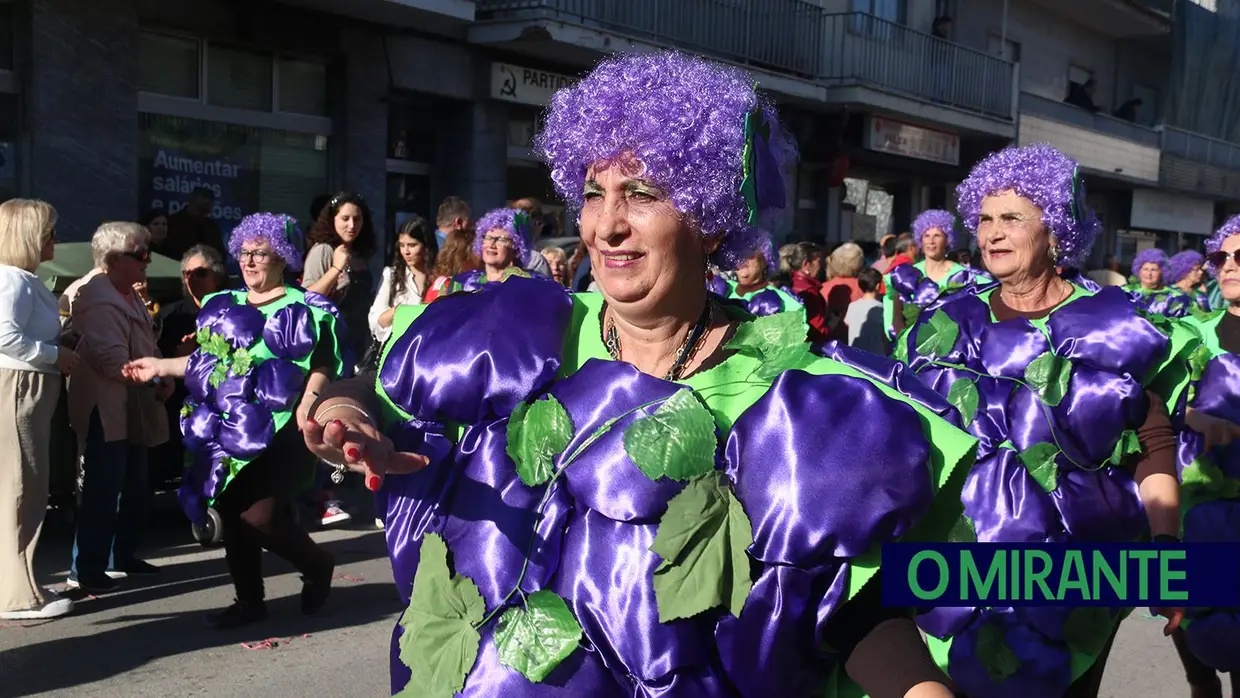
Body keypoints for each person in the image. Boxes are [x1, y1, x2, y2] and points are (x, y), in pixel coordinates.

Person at [302, 50, 973, 698]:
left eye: (643, 193)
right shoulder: (519, 329)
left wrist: (918, 688)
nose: (608, 225)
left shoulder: (795, 401)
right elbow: (380, 389)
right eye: (596, 193)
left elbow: (842, 599)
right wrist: (350, 411)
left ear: (709, 224)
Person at [898, 143, 1190, 697]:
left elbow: (1152, 442)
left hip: (1081, 564)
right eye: (984, 218)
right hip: (956, 563)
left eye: (1012, 218)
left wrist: (1166, 549)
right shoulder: (945, 321)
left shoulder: (1115, 324)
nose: (992, 233)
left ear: (1055, 230)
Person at [124, 213, 351, 628]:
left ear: (281, 258)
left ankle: (317, 563)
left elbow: (323, 362)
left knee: (260, 517)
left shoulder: (306, 307)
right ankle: (250, 601)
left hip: (283, 428)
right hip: (226, 427)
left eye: (259, 254)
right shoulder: (220, 305)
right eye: (244, 252)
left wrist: (309, 401)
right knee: (231, 511)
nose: (248, 261)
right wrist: (159, 364)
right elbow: (206, 362)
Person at [64, 222, 171, 592]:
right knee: (102, 488)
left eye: (148, 252)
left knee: (135, 485)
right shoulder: (96, 297)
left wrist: (161, 368)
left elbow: (146, 346)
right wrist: (160, 376)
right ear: (113, 260)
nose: (148, 260)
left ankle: (119, 556)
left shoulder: (127, 293)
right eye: (140, 253)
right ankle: (87, 569)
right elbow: (114, 363)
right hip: (106, 408)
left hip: (134, 405)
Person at [0, 199, 78, 620]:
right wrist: (54, 355)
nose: (55, 240)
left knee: (25, 488)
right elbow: (4, 337)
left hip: (27, 387)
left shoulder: (21, 279)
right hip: (18, 387)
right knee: (19, 489)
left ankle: (19, 581)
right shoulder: (11, 279)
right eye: (49, 233)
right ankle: (14, 595)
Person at [1172, 215, 1240, 698]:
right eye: (1220, 257)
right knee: (1192, 635)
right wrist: (1193, 414)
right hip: (1196, 505)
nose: (1228, 266)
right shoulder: (1192, 331)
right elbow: (1157, 403)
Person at [886, 210, 990, 339]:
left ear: (947, 240)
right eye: (927, 236)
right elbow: (896, 317)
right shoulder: (905, 274)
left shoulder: (963, 276)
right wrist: (905, 345)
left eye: (937, 235)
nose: (931, 241)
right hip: (910, 350)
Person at [302, 191, 376, 364]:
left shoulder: (359, 253)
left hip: (359, 342)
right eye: (345, 218)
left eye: (357, 219)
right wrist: (336, 269)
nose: (352, 225)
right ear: (332, 219)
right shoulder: (323, 250)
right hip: (330, 344)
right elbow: (307, 297)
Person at [424, 208, 536, 300]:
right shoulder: (459, 284)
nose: (492, 244)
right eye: (487, 238)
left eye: (501, 239)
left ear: (516, 247)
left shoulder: (531, 283)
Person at [718, 240, 801, 316]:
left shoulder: (788, 303)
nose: (742, 258)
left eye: (750, 252)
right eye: (737, 253)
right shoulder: (717, 290)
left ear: (766, 259)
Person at [1126, 248, 1192, 318]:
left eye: (1154, 270)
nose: (1149, 274)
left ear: (1162, 272)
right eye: (1145, 269)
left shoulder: (1175, 297)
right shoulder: (1125, 292)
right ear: (1139, 271)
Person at [845, 267, 886, 355]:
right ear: (878, 286)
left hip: (855, 355)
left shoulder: (852, 306)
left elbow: (847, 323)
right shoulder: (881, 308)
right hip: (876, 356)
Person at [1168, 249, 1211, 314]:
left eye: (1200, 268)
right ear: (1185, 272)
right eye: (1197, 270)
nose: (1201, 272)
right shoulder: (1169, 293)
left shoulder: (1199, 293)